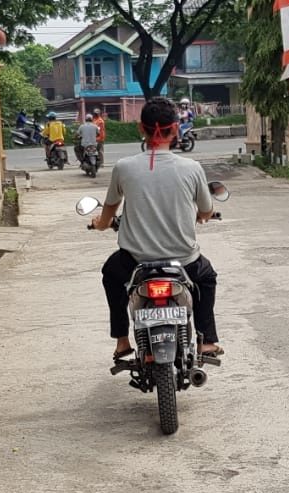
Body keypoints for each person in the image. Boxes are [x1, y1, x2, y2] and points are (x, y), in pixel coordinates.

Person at [90, 97, 222, 359]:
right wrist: (201, 216)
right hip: (184, 261)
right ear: (175, 129)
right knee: (206, 278)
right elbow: (205, 211)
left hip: (135, 262)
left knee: (111, 274)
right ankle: (207, 342)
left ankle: (122, 341)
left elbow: (108, 214)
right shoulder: (192, 168)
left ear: (141, 128)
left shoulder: (124, 167)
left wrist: (99, 224)